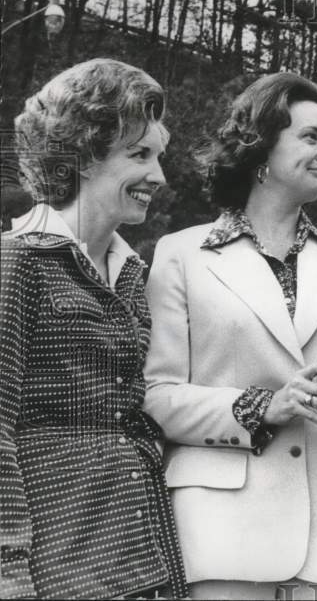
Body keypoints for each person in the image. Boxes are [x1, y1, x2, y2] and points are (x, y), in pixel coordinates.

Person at [143, 72, 317, 600]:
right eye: (311, 137)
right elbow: (156, 396)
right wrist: (263, 407)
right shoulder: (180, 255)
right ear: (261, 145)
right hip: (223, 534)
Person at [0, 59, 187, 599]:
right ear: (81, 156)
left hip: (144, 561)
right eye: (140, 155)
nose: (159, 175)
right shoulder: (16, 262)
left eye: (159, 156)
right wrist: (9, 579)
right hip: (57, 573)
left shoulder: (133, 275)